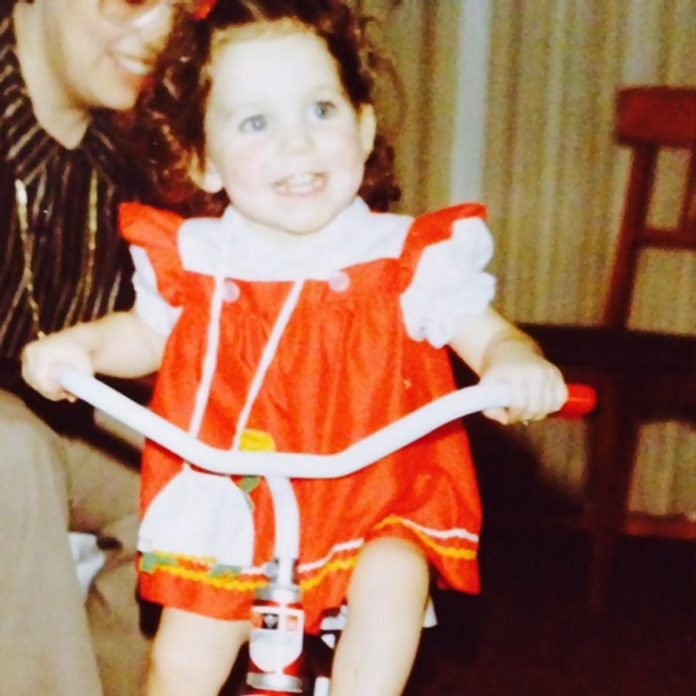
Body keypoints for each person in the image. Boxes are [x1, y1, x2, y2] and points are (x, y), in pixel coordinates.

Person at [22, 1, 569, 694]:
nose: (297, 145)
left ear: (365, 126)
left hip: (372, 489)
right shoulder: (199, 256)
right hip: (235, 485)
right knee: (184, 655)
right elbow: (147, 333)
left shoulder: (402, 256)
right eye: (256, 123)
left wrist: (512, 361)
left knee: (394, 574)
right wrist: (83, 349)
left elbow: (480, 328)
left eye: (320, 111)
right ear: (203, 162)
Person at [0, 0, 181, 694]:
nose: (161, 32)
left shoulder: (145, 146)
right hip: (18, 443)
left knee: (187, 476)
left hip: (57, 418)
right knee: (14, 455)